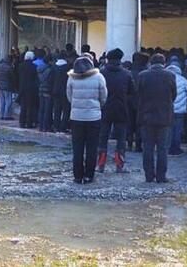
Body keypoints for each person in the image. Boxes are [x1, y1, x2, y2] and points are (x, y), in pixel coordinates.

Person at [135, 53, 176, 183]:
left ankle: (148, 175)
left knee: (148, 148)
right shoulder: (170, 75)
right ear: (164, 63)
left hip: (146, 116)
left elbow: (138, 94)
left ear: (150, 63)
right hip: (164, 116)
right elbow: (173, 95)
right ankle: (161, 176)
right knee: (163, 148)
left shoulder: (142, 75)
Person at [66, 55, 107, 184]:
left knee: (77, 148)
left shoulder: (71, 78)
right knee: (92, 147)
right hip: (94, 117)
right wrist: (96, 106)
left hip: (76, 117)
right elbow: (103, 96)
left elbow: (69, 96)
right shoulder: (99, 77)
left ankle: (77, 176)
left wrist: (76, 107)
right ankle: (89, 175)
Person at [97, 48, 132, 173]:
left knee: (102, 137)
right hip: (121, 109)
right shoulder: (127, 74)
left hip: (104, 108)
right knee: (121, 139)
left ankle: (101, 164)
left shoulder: (101, 73)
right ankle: (119, 164)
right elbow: (131, 92)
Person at [166, 64, 187, 156]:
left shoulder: (165, 79)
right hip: (180, 109)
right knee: (178, 129)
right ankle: (176, 148)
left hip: (168, 108)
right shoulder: (184, 80)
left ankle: (168, 148)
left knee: (168, 129)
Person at [18, 51, 39, 128]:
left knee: (23, 106)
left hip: (23, 88)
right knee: (30, 107)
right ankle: (29, 122)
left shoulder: (21, 66)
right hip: (31, 89)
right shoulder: (34, 67)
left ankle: (22, 122)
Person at [51, 54, 71, 133]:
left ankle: (56, 126)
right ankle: (63, 127)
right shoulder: (68, 67)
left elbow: (51, 79)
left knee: (57, 109)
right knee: (66, 110)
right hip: (65, 91)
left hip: (55, 91)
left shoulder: (53, 67)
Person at [36, 51, 54, 132]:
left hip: (40, 89)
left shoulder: (39, 68)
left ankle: (40, 126)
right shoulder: (50, 70)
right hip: (47, 90)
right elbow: (51, 81)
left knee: (41, 109)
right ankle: (46, 127)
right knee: (47, 110)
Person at [0, 54, 16, 121]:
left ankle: (1, 115)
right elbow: (13, 77)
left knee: (2, 101)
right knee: (8, 101)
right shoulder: (9, 67)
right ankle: (6, 115)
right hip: (8, 86)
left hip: (0, 86)